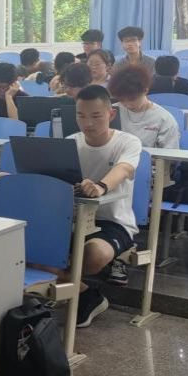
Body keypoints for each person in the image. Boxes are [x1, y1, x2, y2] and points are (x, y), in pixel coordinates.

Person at [69, 85, 142, 326]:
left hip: (113, 222)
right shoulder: (71, 142)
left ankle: (62, 284)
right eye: (81, 116)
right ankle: (85, 294)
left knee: (93, 254)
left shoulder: (128, 142)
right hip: (73, 220)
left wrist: (101, 186)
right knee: (30, 250)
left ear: (111, 114)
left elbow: (124, 169)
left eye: (96, 116)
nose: (87, 123)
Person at [108, 64, 179, 149]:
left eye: (132, 99)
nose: (127, 104)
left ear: (145, 90)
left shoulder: (164, 119)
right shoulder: (111, 112)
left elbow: (170, 153)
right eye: (122, 100)